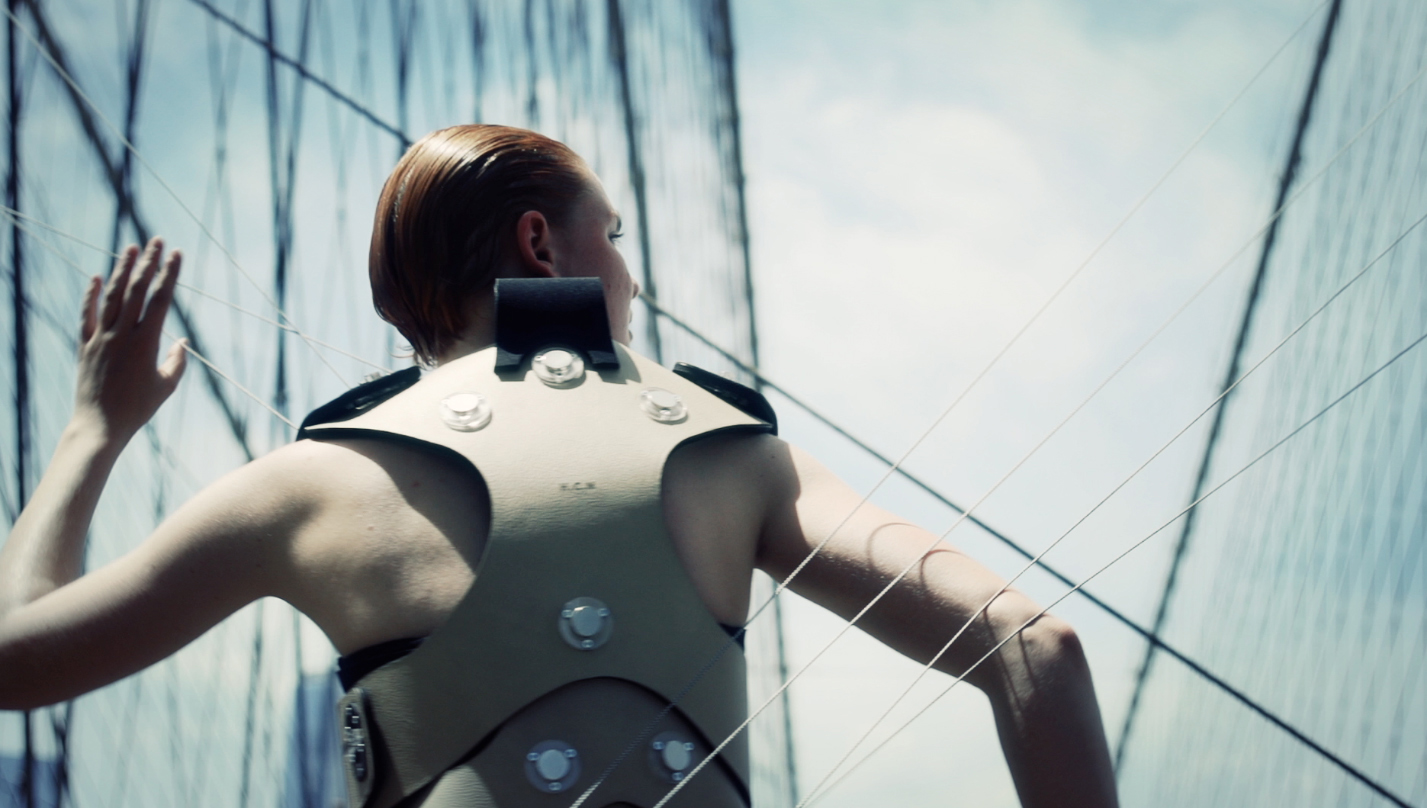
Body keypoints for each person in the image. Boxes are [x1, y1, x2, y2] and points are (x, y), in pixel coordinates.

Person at [0, 124, 1117, 807]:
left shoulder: (307, 486)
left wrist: (94, 431)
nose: (631, 276)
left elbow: (13, 659)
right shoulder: (738, 455)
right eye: (614, 235)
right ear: (540, 243)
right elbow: (1038, 650)